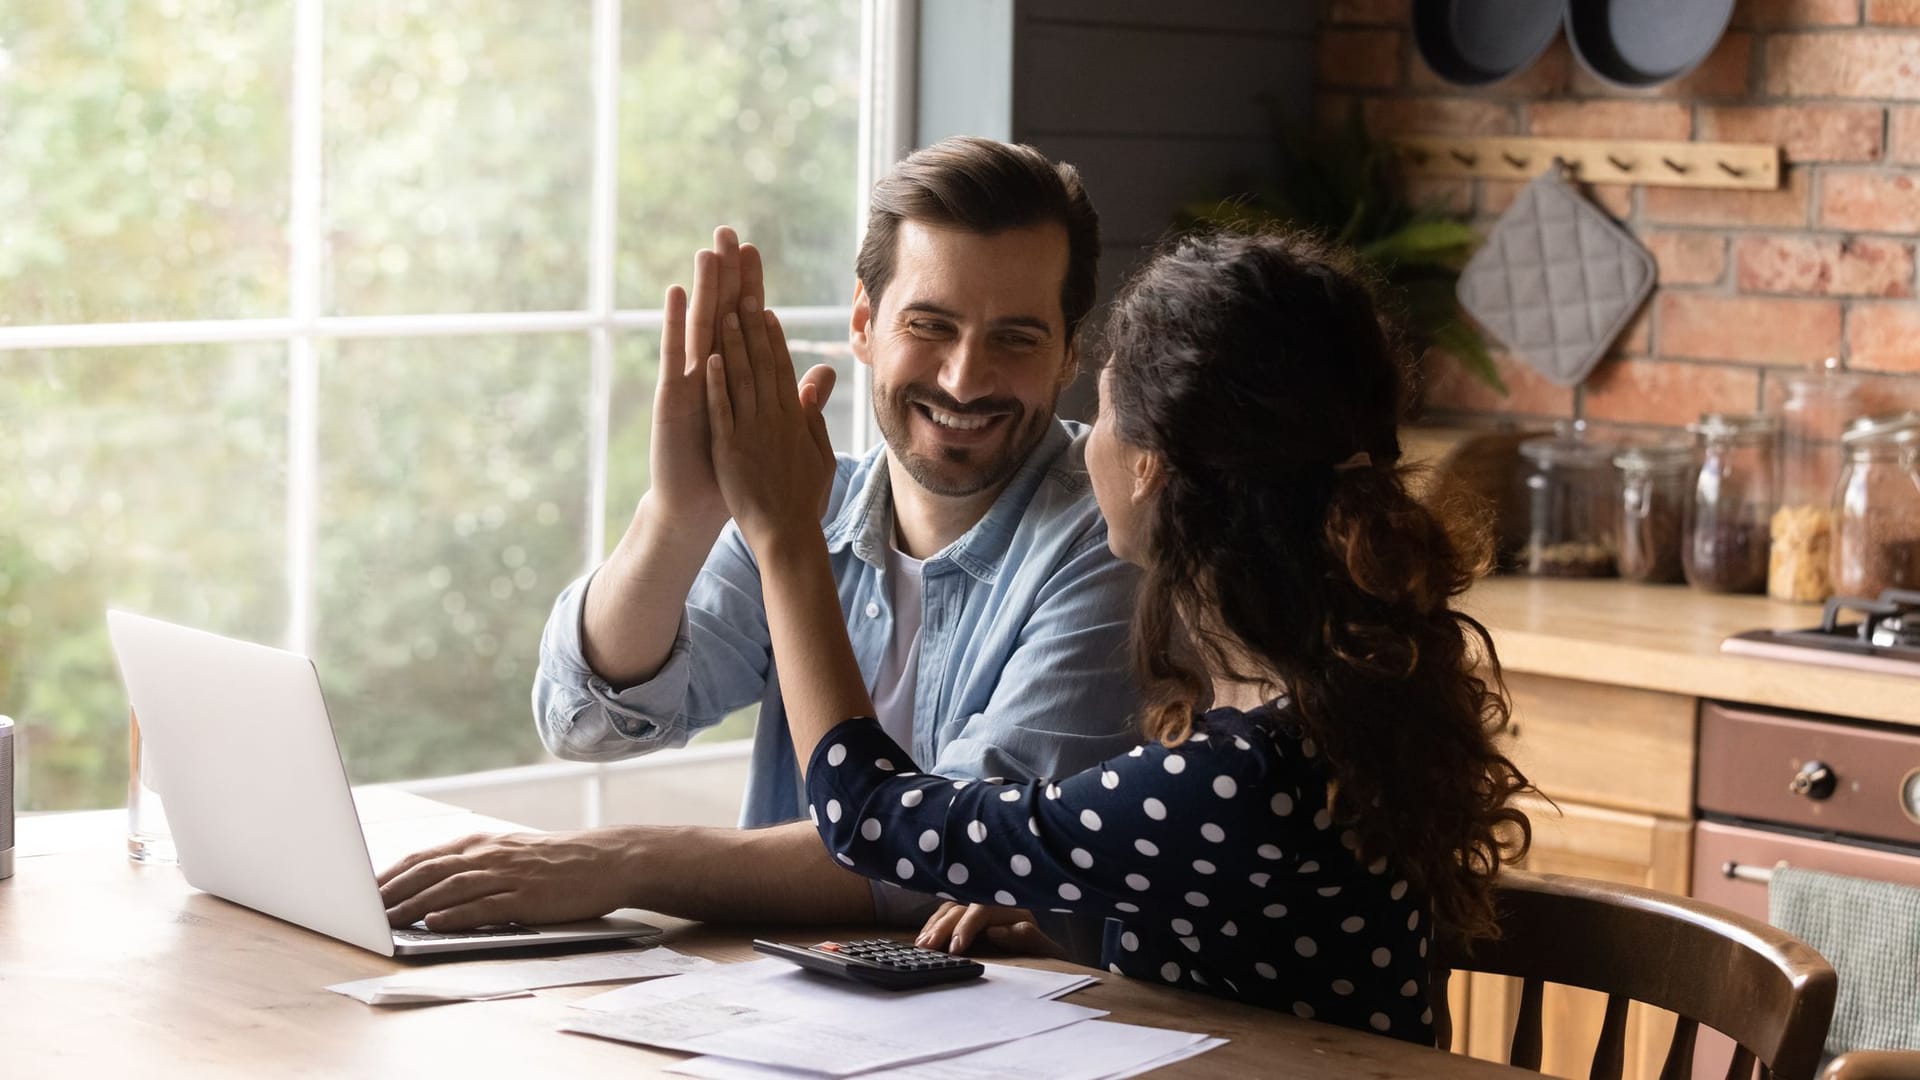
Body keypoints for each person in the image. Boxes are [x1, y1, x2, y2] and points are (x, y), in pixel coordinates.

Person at [698, 228, 1535, 1042]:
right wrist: (1083, 933)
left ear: (1150, 465)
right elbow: (1259, 950)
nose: (1083, 438)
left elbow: (866, 819)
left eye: (1098, 411)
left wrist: (787, 538)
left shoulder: (1243, 776)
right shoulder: (1318, 710)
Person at [377, 138, 1143, 931]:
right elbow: (586, 721)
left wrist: (621, 863)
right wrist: (679, 514)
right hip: (777, 1000)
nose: (963, 378)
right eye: (930, 325)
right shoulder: (811, 500)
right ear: (863, 323)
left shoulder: (1113, 540)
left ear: (1067, 356)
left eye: (1014, 338)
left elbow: (951, 859)